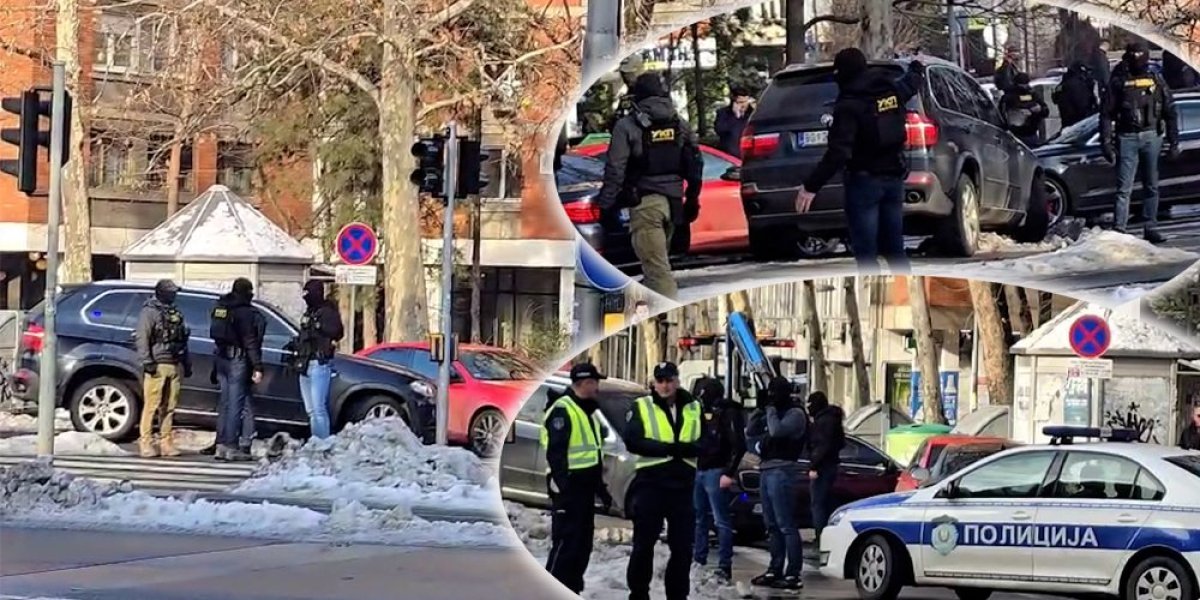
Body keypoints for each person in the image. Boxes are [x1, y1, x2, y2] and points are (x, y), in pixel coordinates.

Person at [794, 48, 924, 272]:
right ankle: (907, 297)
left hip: (864, 183)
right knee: (894, 249)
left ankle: (871, 300)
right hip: (893, 179)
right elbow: (911, 83)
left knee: (866, 253)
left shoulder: (849, 105)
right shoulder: (890, 90)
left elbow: (838, 152)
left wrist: (810, 186)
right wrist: (916, 66)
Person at [597, 73, 703, 299]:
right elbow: (695, 163)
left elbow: (616, 169)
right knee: (654, 269)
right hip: (674, 204)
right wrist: (692, 199)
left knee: (658, 273)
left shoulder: (627, 126)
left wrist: (606, 206)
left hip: (645, 203)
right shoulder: (679, 123)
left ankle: (666, 318)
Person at [624, 361, 702, 600]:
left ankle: (677, 596)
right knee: (643, 545)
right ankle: (638, 594)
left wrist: (686, 450)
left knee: (682, 548)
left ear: (677, 381)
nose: (665, 385)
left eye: (669, 380)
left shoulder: (693, 407)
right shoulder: (641, 406)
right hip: (652, 483)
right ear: (654, 383)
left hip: (682, 485)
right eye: (661, 381)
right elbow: (634, 441)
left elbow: (707, 441)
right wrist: (669, 449)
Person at [542, 363, 612, 595]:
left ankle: (572, 589)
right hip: (570, 490)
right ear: (585, 383)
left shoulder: (586, 410)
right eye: (595, 383)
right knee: (566, 545)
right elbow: (556, 454)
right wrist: (565, 489)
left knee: (582, 547)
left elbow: (592, 455)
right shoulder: (564, 410)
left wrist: (601, 490)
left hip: (584, 489)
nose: (597, 387)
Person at [1100, 42, 1179, 244]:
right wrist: (1106, 143)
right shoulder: (1118, 80)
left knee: (1151, 185)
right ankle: (1120, 228)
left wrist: (1173, 141)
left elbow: (1170, 110)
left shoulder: (1155, 78)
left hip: (1151, 135)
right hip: (1128, 136)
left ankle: (1150, 226)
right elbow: (1106, 114)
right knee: (1124, 187)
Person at [744, 377, 808, 590]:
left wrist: (770, 410)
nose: (772, 398)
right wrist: (760, 409)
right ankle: (775, 568)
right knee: (771, 525)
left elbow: (776, 431)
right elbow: (751, 430)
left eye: (774, 393)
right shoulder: (773, 411)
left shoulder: (795, 414)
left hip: (783, 470)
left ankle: (793, 573)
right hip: (766, 469)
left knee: (786, 524)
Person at [691, 377, 746, 583]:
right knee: (700, 518)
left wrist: (729, 472)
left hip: (716, 470)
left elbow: (738, 445)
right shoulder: (701, 411)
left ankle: (724, 565)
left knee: (720, 520)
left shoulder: (728, 413)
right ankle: (699, 559)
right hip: (701, 468)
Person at [209, 277, 265, 462]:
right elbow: (250, 340)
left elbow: (215, 333)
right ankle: (232, 447)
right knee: (236, 404)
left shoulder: (222, 307)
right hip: (237, 360)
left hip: (222, 357)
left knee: (225, 403)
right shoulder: (245, 312)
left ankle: (221, 444)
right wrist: (257, 365)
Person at [135, 279, 192, 458]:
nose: (174, 295)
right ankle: (146, 442)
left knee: (169, 406)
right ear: (161, 292)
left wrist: (187, 363)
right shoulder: (149, 312)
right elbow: (142, 337)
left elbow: (183, 340)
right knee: (152, 405)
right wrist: (147, 361)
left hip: (174, 363)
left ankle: (166, 443)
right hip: (157, 364)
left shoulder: (175, 313)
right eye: (170, 292)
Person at [295, 280, 344, 439]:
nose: (305, 297)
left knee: (318, 408)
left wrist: (319, 327)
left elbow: (337, 332)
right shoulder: (309, 312)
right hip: (304, 363)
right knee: (311, 409)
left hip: (318, 363)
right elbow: (303, 336)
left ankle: (322, 443)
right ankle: (316, 440)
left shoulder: (327, 312)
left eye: (308, 293)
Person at [806, 391, 844, 543]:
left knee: (818, 504)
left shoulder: (823, 422)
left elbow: (821, 446)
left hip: (822, 467)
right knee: (825, 502)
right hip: (830, 465)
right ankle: (825, 535)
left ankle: (821, 536)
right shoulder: (833, 419)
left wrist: (814, 465)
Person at [1000, 73, 1049, 147]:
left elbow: (1045, 110)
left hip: (1031, 132)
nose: (1025, 86)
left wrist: (1039, 110)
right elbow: (1002, 115)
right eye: (1022, 84)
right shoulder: (1009, 96)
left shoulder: (1032, 94)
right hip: (1015, 133)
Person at [1052, 62, 1099, 129]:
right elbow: (1083, 106)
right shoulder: (1076, 85)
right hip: (1078, 123)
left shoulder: (1064, 83)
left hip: (1069, 123)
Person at [609, 54, 646, 131]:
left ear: (637, 72)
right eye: (623, 74)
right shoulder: (627, 91)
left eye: (628, 74)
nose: (625, 77)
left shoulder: (648, 90)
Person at [714, 88, 754, 158]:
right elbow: (719, 130)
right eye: (740, 102)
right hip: (729, 154)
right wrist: (736, 117)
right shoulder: (723, 113)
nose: (743, 105)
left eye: (745, 102)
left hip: (749, 153)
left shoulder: (752, 113)